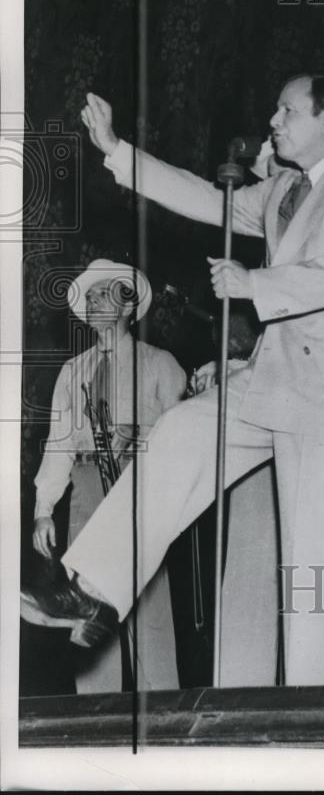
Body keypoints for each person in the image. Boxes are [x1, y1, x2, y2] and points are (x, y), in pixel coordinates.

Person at [22, 73, 324, 687]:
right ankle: (87, 589)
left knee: (311, 562)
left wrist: (257, 285)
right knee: (178, 434)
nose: (272, 121)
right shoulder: (282, 190)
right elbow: (203, 197)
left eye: (285, 110)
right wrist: (117, 149)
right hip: (270, 382)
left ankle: (308, 713)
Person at [30, 259, 185, 692]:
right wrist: (44, 509)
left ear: (127, 305)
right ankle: (97, 711)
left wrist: (141, 438)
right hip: (86, 489)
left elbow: (185, 436)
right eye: (90, 296)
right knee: (87, 600)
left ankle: (162, 714)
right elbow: (58, 442)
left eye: (104, 293)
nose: (94, 301)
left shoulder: (159, 363)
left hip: (141, 491)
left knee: (147, 604)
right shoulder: (72, 371)